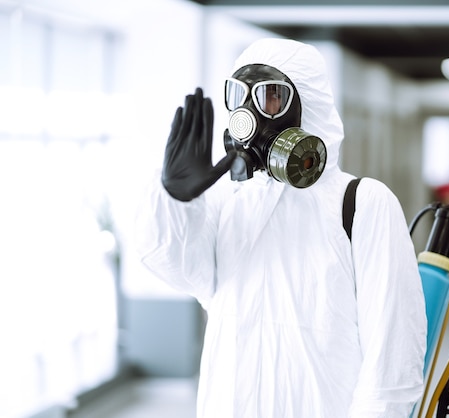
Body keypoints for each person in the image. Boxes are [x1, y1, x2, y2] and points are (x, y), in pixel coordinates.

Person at [136, 38, 427, 418]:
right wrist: (175, 199)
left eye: (270, 97)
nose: (249, 115)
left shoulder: (361, 203)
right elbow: (176, 267)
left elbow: (393, 357)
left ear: (310, 106)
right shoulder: (229, 202)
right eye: (238, 96)